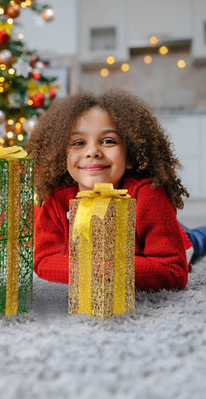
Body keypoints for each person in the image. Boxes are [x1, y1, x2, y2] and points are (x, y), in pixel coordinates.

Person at [26, 89, 206, 291]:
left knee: (198, 239)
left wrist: (100, 269)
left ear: (130, 155)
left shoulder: (148, 194)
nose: (92, 151)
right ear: (62, 156)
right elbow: (43, 262)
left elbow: (172, 270)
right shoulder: (56, 199)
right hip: (138, 250)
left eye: (108, 141)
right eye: (79, 143)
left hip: (176, 237)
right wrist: (97, 269)